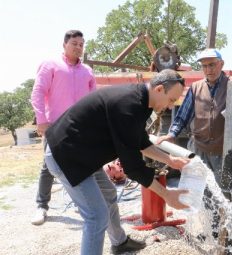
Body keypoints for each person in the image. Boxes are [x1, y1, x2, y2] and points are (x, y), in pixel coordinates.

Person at [43, 69, 190, 255]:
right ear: (160, 89)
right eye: (171, 100)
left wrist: (170, 160)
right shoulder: (128, 106)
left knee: (109, 193)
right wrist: (166, 195)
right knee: (97, 217)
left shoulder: (142, 102)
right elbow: (133, 168)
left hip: (85, 154)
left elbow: (140, 142)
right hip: (67, 156)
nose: (170, 107)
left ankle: (119, 243)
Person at [30, 30, 96, 225]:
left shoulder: (87, 71)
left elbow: (93, 100)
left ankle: (81, 202)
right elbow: (38, 92)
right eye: (74, 43)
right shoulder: (51, 65)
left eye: (81, 44)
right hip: (55, 126)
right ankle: (41, 206)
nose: (78, 47)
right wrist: (41, 119)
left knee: (83, 164)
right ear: (64, 44)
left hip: (81, 127)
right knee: (48, 167)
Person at [157, 48, 227, 173]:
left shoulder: (231, 85)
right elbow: (182, 116)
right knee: (197, 184)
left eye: (212, 65)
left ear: (221, 64)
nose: (208, 70)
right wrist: (171, 134)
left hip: (221, 152)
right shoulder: (196, 87)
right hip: (197, 148)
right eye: (204, 66)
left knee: (222, 190)